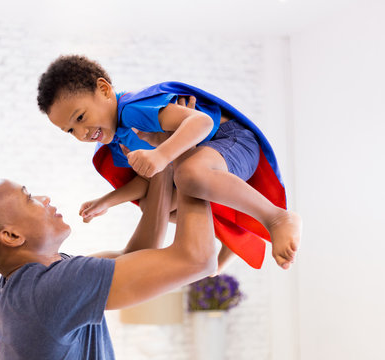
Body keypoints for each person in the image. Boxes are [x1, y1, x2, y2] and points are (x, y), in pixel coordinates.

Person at [37, 54, 302, 270]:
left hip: (231, 140)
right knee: (159, 208)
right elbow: (146, 180)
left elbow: (201, 122)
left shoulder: (132, 109)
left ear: (104, 90)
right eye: (70, 130)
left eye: (80, 117)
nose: (81, 132)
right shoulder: (118, 140)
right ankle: (230, 238)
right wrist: (107, 200)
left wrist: (162, 154)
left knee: (188, 173)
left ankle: (276, 218)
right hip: (211, 157)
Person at [0, 166, 217, 359]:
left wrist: (164, 163)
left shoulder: (26, 286)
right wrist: (191, 171)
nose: (45, 198)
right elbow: (199, 259)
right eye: (29, 197)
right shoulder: (49, 290)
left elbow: (138, 254)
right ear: (12, 236)